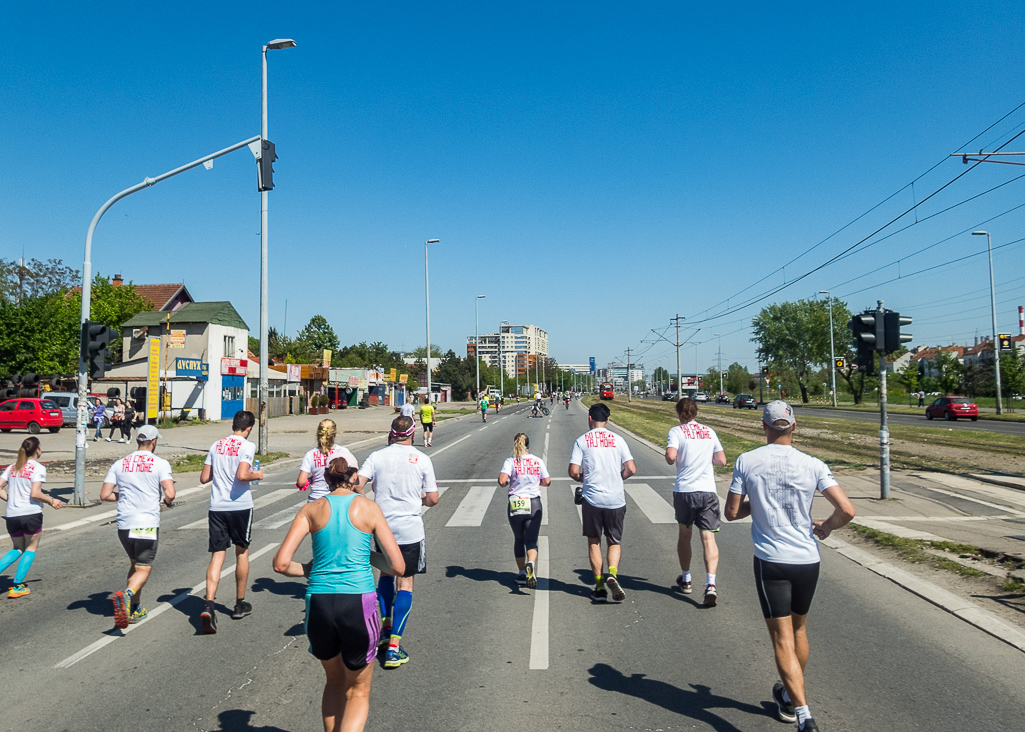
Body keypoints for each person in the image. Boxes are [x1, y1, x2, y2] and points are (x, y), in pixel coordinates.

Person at [724, 401, 856, 732]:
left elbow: (731, 512)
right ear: (794, 427)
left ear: (764, 426)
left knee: (781, 638)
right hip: (807, 561)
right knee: (799, 630)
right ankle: (786, 693)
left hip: (772, 561)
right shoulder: (813, 464)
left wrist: (758, 503)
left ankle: (803, 714)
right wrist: (826, 526)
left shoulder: (747, 461)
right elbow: (848, 510)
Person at [274, 457, 404, 732]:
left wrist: (310, 568)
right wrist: (366, 557)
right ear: (354, 477)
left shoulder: (311, 509)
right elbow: (397, 565)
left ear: (326, 479)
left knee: (333, 681)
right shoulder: (369, 508)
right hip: (358, 601)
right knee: (358, 690)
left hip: (319, 601)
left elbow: (281, 564)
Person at [354, 416, 439, 669]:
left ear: (392, 434)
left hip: (383, 527)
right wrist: (419, 501)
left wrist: (371, 504)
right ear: (412, 435)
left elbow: (357, 484)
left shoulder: (377, 456)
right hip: (410, 529)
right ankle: (393, 647)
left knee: (386, 575)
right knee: (406, 583)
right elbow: (433, 499)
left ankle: (384, 627)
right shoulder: (422, 459)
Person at [100, 424, 176, 628]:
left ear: (137, 441)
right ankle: (126, 595)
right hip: (146, 523)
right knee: (144, 568)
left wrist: (122, 496)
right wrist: (168, 502)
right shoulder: (160, 463)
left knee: (134, 564)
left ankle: (134, 608)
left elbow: (105, 495)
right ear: (154, 442)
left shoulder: (119, 464)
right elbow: (170, 492)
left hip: (124, 523)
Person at [197, 410, 264, 634]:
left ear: (233, 425)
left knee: (217, 556)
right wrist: (259, 475)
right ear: (249, 429)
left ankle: (209, 605)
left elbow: (204, 477)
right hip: (239, 506)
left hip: (217, 506)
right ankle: (239, 603)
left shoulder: (216, 445)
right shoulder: (247, 446)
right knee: (242, 552)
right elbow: (242, 475)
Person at [569, 403, 636, 602]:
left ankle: (599, 586)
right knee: (614, 541)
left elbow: (573, 471)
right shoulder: (618, 440)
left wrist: (583, 478)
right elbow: (631, 468)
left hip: (592, 499)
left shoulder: (582, 440)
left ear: (589, 418)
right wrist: (618, 477)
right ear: (607, 420)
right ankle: (613, 574)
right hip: (616, 498)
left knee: (594, 541)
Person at [664, 397, 727, 606]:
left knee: (685, 534)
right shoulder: (709, 432)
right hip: (707, 490)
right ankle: (711, 584)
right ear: (696, 412)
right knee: (708, 538)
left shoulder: (676, 431)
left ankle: (687, 578)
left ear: (678, 413)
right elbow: (721, 460)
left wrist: (677, 456)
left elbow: (671, 456)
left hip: (685, 491)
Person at [0, 437, 62, 597]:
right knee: (30, 547)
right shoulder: (38, 468)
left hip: (12, 515)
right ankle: (17, 586)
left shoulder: (13, 467)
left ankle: (15, 583)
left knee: (17, 548)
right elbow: (35, 494)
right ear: (37, 450)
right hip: (30, 514)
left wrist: (10, 498)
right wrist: (51, 500)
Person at [498, 433, 551, 588]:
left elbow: (502, 480)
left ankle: (522, 573)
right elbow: (547, 481)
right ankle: (531, 563)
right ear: (529, 446)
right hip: (533, 502)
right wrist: (538, 482)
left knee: (519, 539)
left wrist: (507, 483)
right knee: (532, 539)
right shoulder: (537, 461)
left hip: (516, 502)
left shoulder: (511, 461)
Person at [297, 420, 359, 502]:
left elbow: (301, 482)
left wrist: (311, 479)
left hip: (316, 499)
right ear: (335, 434)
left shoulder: (310, 454)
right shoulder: (343, 452)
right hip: (338, 498)